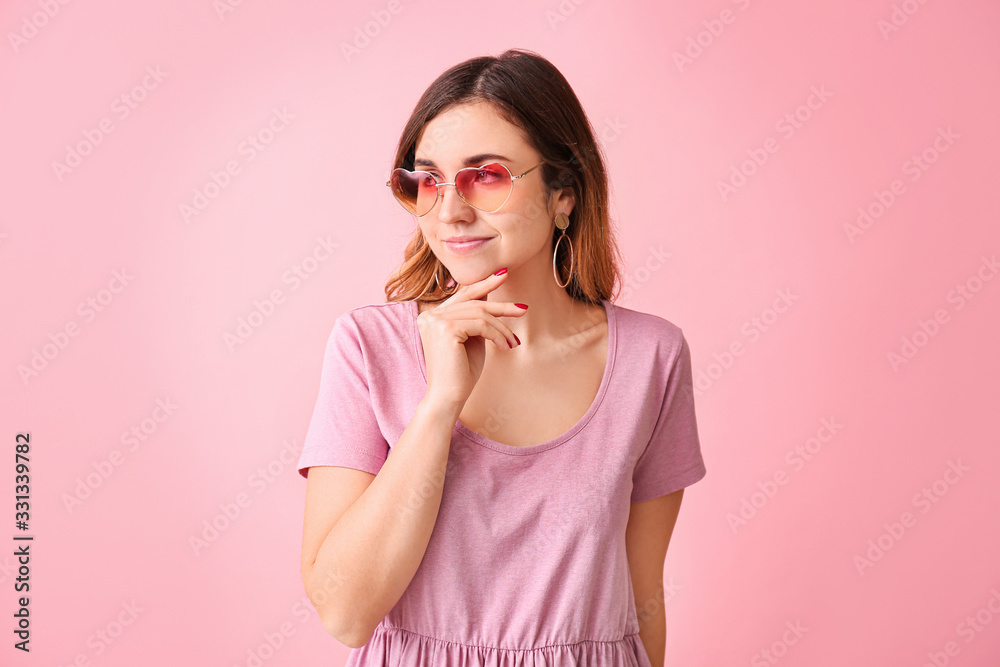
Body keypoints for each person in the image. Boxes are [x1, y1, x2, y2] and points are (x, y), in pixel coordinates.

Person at [296, 48, 707, 667]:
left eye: (485, 176)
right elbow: (346, 612)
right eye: (428, 180)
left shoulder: (653, 358)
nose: (450, 210)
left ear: (563, 195)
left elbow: (643, 601)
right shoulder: (367, 348)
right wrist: (439, 404)